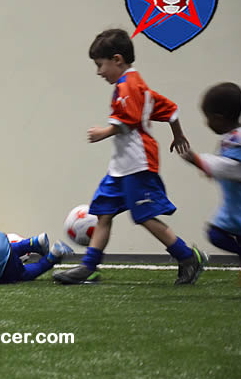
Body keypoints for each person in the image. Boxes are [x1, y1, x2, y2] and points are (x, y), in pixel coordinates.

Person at [53, 28, 206, 285]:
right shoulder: (138, 85)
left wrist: (104, 132)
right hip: (121, 167)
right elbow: (171, 110)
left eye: (100, 65)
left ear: (117, 59)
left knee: (143, 215)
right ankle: (89, 267)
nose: (99, 72)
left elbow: (131, 119)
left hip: (138, 163)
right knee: (103, 212)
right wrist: (177, 135)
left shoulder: (129, 85)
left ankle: (188, 257)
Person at [178, 82, 241, 285]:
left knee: (216, 235)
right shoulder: (236, 136)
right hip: (235, 207)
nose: (205, 123)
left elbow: (233, 167)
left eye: (207, 117)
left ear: (218, 118)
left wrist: (199, 161)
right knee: (215, 233)